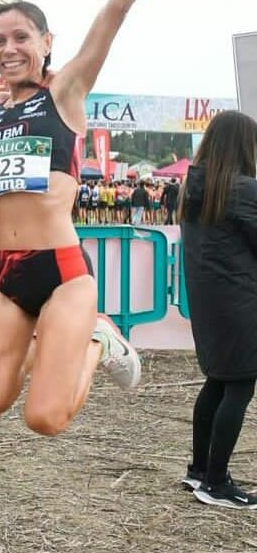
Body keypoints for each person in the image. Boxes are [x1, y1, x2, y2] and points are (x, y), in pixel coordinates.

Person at [0, 0, 204, 437]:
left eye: (21, 37)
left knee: (45, 419)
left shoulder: (64, 92)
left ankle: (99, 336)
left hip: (62, 270)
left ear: (47, 43)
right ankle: (33, 348)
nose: (8, 48)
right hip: (2, 274)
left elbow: (114, 10)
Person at [179, 111, 257, 508]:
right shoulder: (243, 190)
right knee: (240, 385)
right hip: (241, 301)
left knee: (218, 381)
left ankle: (199, 471)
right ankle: (216, 481)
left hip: (210, 303)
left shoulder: (195, 187)